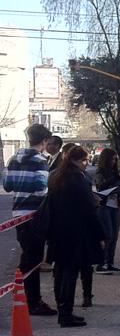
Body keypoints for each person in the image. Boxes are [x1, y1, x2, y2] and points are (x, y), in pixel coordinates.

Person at [46, 146, 104, 328]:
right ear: (75, 161)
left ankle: (63, 310)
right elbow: (89, 211)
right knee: (71, 273)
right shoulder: (78, 180)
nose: (87, 164)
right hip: (76, 233)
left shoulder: (57, 177)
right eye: (85, 161)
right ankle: (66, 314)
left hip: (59, 232)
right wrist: (100, 235)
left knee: (61, 272)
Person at [3, 124, 57, 317]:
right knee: (33, 259)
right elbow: (41, 189)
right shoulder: (40, 161)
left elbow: (8, 186)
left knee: (28, 254)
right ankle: (32, 300)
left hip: (18, 214)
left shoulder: (13, 159)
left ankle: (25, 294)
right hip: (35, 215)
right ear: (44, 141)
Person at [93, 149, 120, 273]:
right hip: (104, 207)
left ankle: (110, 262)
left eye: (115, 159)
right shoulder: (100, 172)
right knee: (108, 236)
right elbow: (101, 187)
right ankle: (101, 263)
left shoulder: (114, 171)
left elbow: (117, 189)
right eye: (112, 159)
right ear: (106, 159)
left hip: (115, 206)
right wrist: (116, 179)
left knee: (114, 236)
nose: (114, 161)